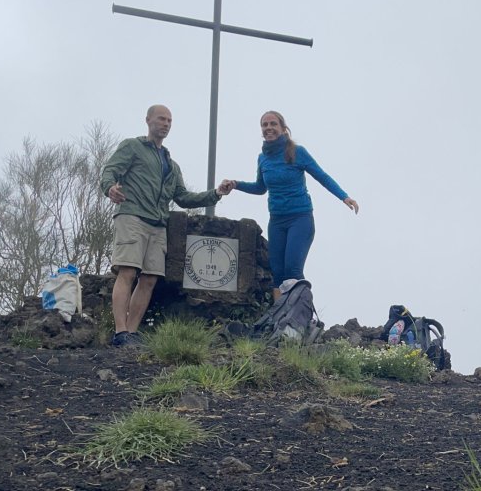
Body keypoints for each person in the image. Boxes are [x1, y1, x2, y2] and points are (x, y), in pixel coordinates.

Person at [100, 104, 234, 347]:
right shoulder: (133, 146)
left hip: (158, 223)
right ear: (148, 120)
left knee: (150, 278)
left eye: (169, 121)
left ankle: (132, 332)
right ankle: (120, 332)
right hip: (132, 216)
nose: (166, 124)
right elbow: (110, 171)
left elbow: (183, 197)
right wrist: (110, 187)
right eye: (161, 119)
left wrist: (216, 193)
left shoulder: (172, 165)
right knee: (128, 271)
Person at [228, 111, 358, 300]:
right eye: (264, 125)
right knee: (278, 273)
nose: (268, 128)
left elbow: (321, 176)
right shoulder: (262, 158)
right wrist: (235, 185)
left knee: (292, 270)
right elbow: (260, 188)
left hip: (300, 218)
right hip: (277, 221)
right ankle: (279, 320)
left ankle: (299, 319)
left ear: (282, 128)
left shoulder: (297, 152)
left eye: (273, 124)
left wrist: (344, 197)